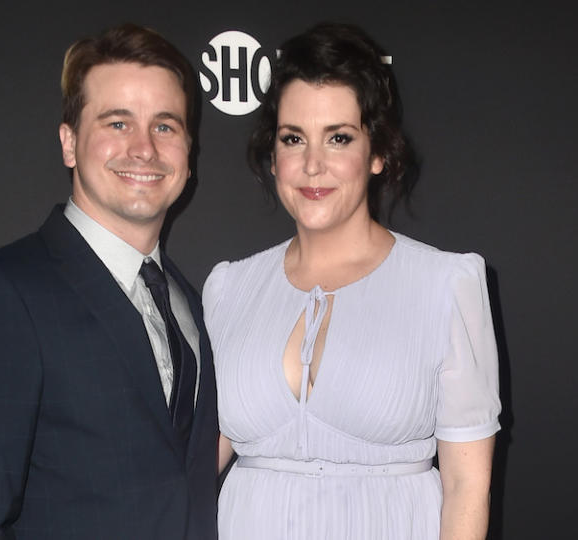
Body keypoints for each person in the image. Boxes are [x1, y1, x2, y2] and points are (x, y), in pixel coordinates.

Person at [204, 23, 500, 539]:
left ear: (378, 153)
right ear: (273, 156)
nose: (312, 164)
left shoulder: (445, 285)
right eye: (293, 138)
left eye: (338, 138)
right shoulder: (230, 289)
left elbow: (466, 488)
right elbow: (192, 467)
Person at [0, 24, 218, 539]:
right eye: (117, 123)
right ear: (69, 142)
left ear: (188, 155)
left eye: (166, 126)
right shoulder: (0, 297)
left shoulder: (189, 302)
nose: (145, 149)